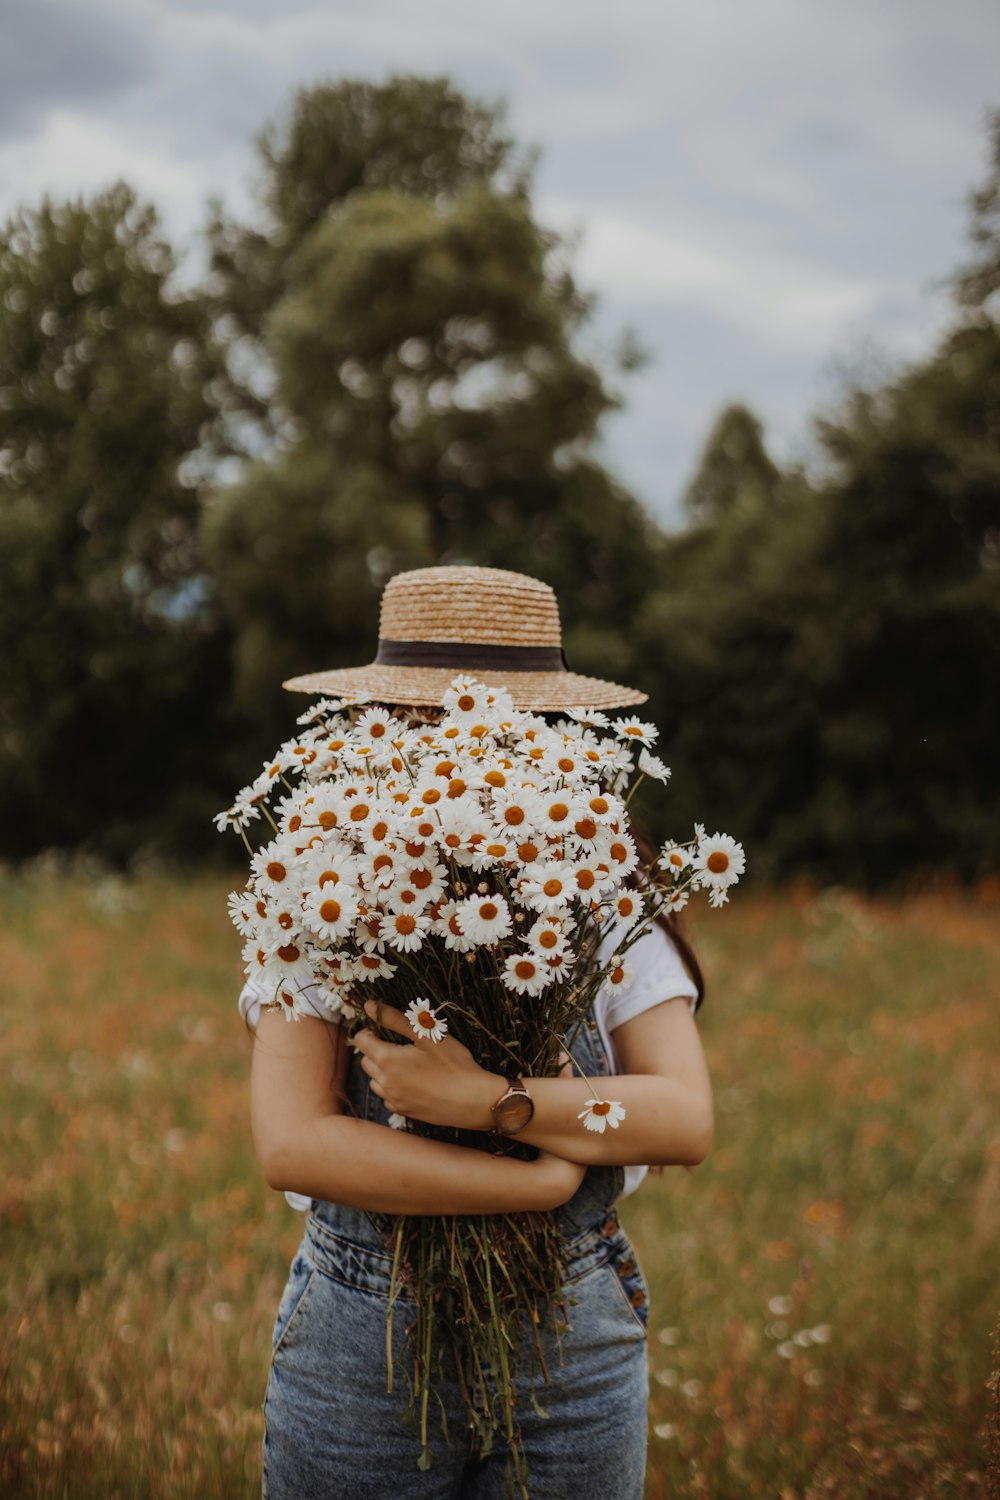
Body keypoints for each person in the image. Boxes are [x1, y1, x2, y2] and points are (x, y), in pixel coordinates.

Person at [237, 565, 714, 1499]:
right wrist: (534, 1183)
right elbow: (294, 1142)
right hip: (362, 1337)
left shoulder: (605, 887)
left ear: (540, 732)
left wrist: (495, 1103)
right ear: (385, 722)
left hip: (570, 1337)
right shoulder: (319, 881)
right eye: (431, 717)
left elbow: (681, 1117)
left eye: (494, 721)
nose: (461, 743)